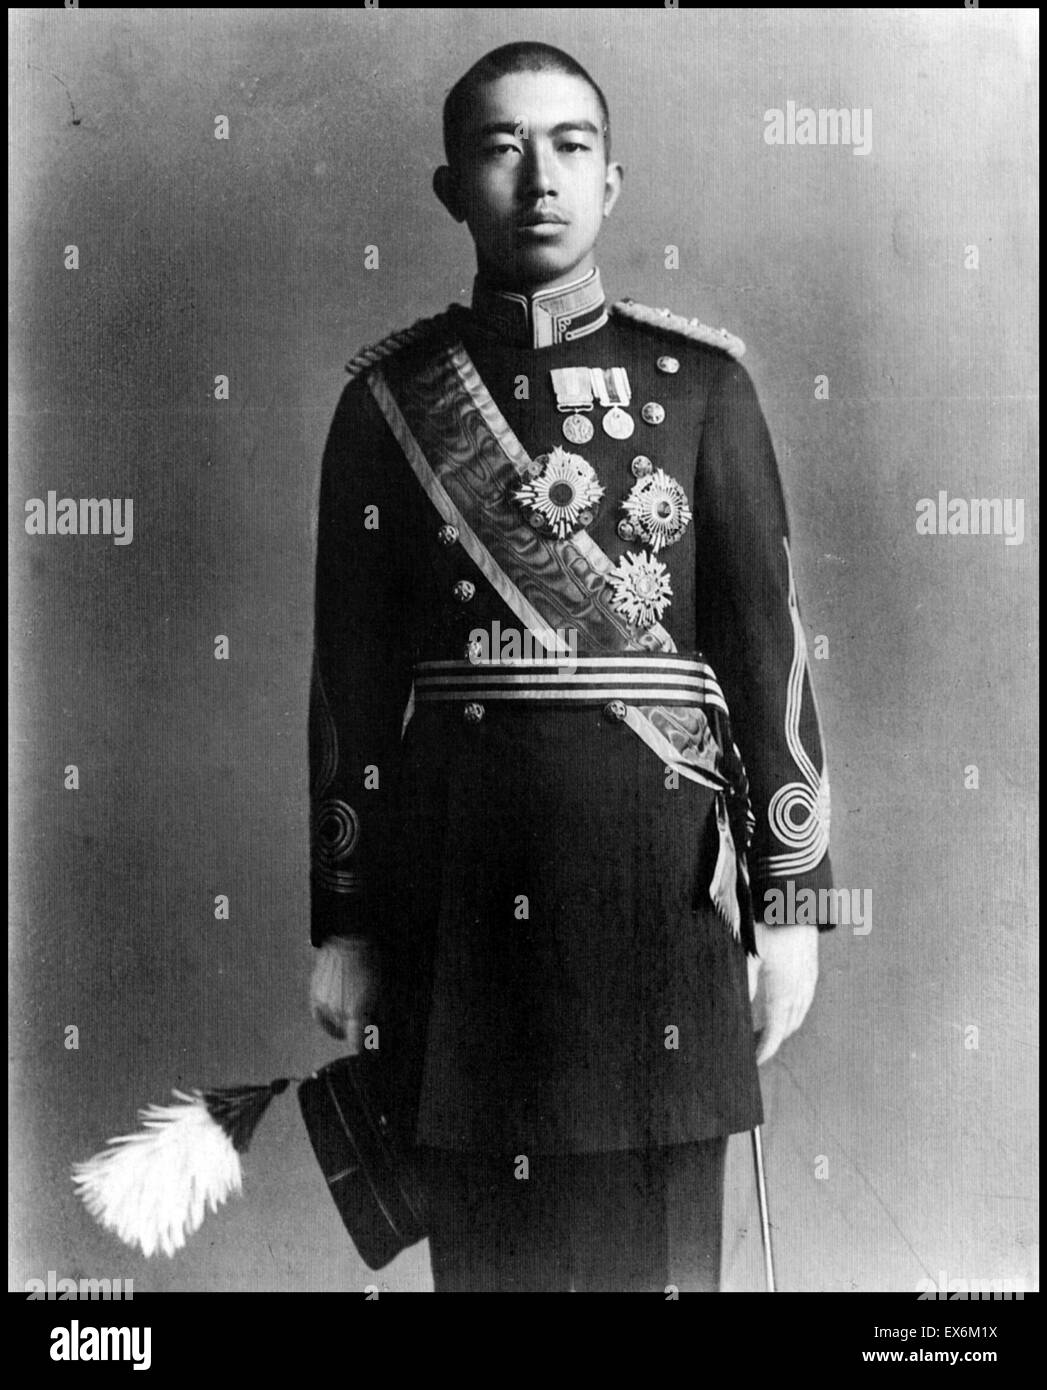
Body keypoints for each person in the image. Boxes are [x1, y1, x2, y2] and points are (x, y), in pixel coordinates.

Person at [307, 41, 833, 1293]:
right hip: (456, 908)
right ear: (452, 190)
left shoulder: (702, 387)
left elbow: (768, 660)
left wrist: (795, 899)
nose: (539, 177)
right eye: (501, 147)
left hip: (661, 906)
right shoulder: (391, 402)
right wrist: (342, 918)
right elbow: (348, 692)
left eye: (570, 146)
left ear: (612, 182)